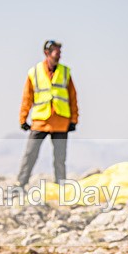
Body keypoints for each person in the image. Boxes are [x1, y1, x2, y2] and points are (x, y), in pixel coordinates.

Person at [17, 40, 78, 186]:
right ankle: (20, 184)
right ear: (47, 53)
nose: (59, 56)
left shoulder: (65, 72)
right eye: (57, 52)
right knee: (30, 154)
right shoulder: (34, 72)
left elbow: (72, 97)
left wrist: (74, 120)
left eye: (60, 53)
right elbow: (27, 97)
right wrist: (23, 119)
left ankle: (61, 186)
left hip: (61, 121)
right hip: (40, 121)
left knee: (60, 158)